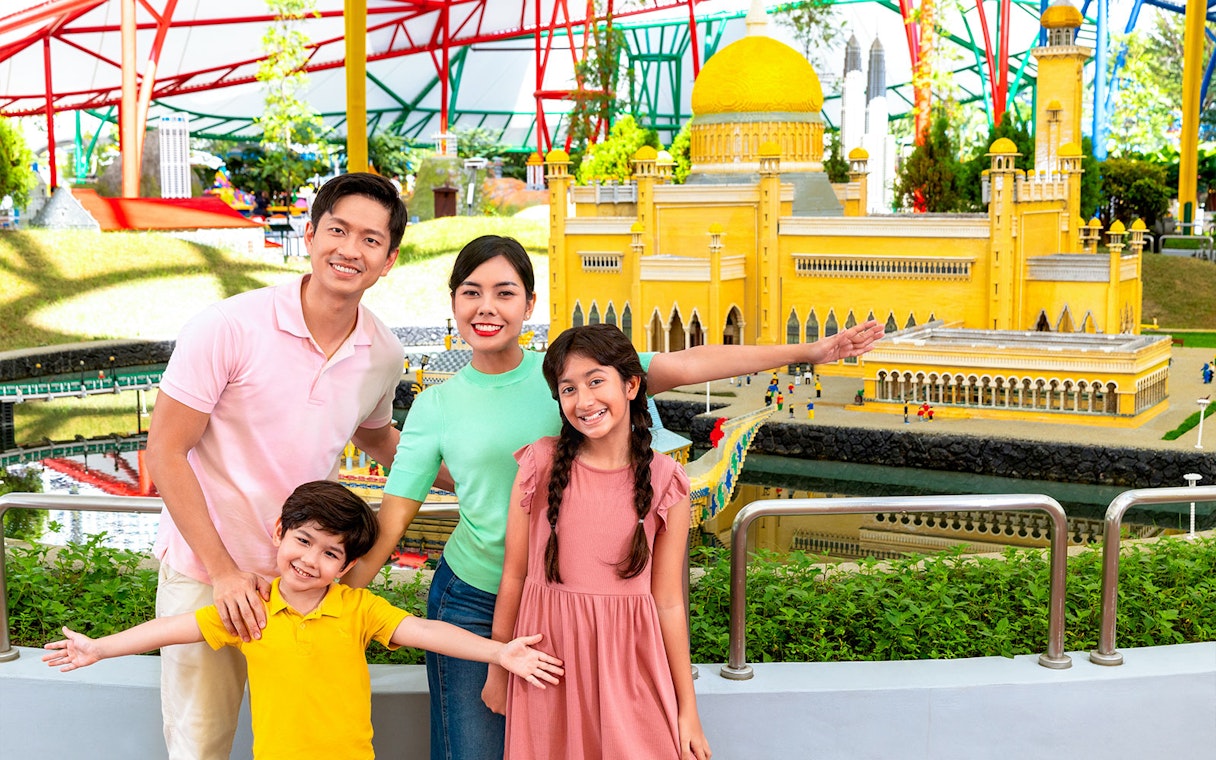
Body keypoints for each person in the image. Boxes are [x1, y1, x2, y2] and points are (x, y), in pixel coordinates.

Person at [343, 235, 884, 760]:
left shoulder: (570, 369)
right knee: (475, 751)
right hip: (475, 599)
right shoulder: (437, 407)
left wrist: (812, 350)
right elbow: (391, 525)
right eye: (471, 292)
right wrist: (324, 603)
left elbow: (697, 361)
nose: (487, 307)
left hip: (584, 608)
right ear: (454, 301)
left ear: (530, 303)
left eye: (505, 292)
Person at [145, 172, 409, 759]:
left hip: (308, 580)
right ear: (309, 233)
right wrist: (223, 572)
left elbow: (380, 438)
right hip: (207, 574)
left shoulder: (383, 352)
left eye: (370, 239)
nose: (349, 249)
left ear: (389, 259)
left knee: (308, 742)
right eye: (337, 230)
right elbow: (165, 449)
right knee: (199, 743)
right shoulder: (228, 326)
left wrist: (475, 476)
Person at [44, 482, 563, 760]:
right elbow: (172, 629)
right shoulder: (250, 609)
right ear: (279, 532)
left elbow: (426, 632)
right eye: (304, 540)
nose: (311, 560)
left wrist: (499, 652)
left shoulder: (358, 610)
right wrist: (100, 647)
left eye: (331, 553)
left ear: (347, 567)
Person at [485, 324, 710, 759]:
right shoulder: (540, 463)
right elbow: (513, 573)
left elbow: (667, 602)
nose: (583, 401)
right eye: (568, 389)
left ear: (630, 384)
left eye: (595, 381)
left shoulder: (667, 482)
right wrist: (498, 668)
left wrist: (688, 709)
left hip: (630, 667)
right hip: (546, 665)